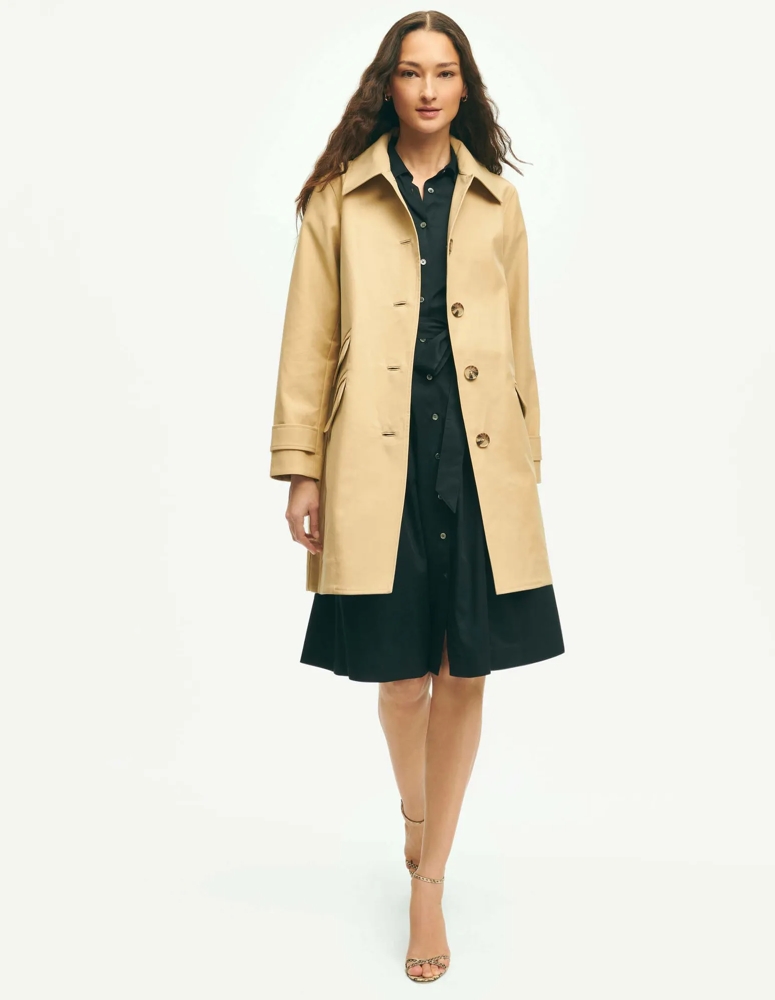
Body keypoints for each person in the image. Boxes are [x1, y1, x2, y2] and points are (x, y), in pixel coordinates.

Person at [268, 10, 564, 984]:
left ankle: (427, 880)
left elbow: (518, 343)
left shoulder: (498, 202)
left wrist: (526, 461)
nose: (428, 89)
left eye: (444, 73)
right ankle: (416, 815)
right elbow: (308, 340)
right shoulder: (337, 200)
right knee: (400, 680)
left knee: (463, 674)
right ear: (386, 85)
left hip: (477, 461)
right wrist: (302, 466)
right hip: (373, 459)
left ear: (464, 86)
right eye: (411, 72)